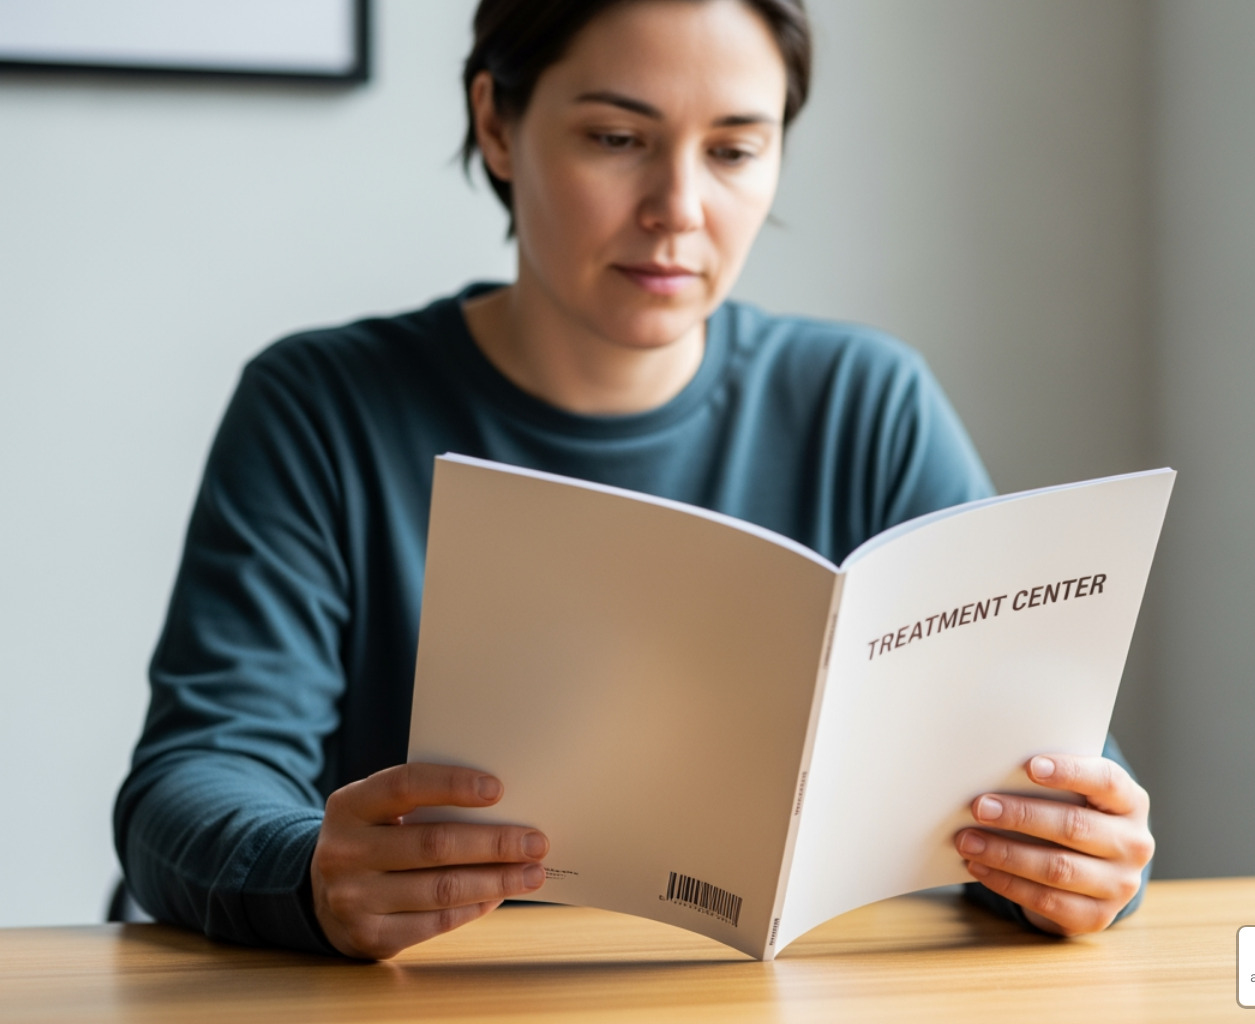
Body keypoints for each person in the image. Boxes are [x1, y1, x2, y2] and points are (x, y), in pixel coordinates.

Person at [115, 0, 1154, 961]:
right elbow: (190, 781)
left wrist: (1076, 858)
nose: (679, 208)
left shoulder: (864, 399)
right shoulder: (322, 406)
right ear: (495, 125)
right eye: (617, 140)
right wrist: (307, 873)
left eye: (736, 150)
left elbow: (1047, 770)